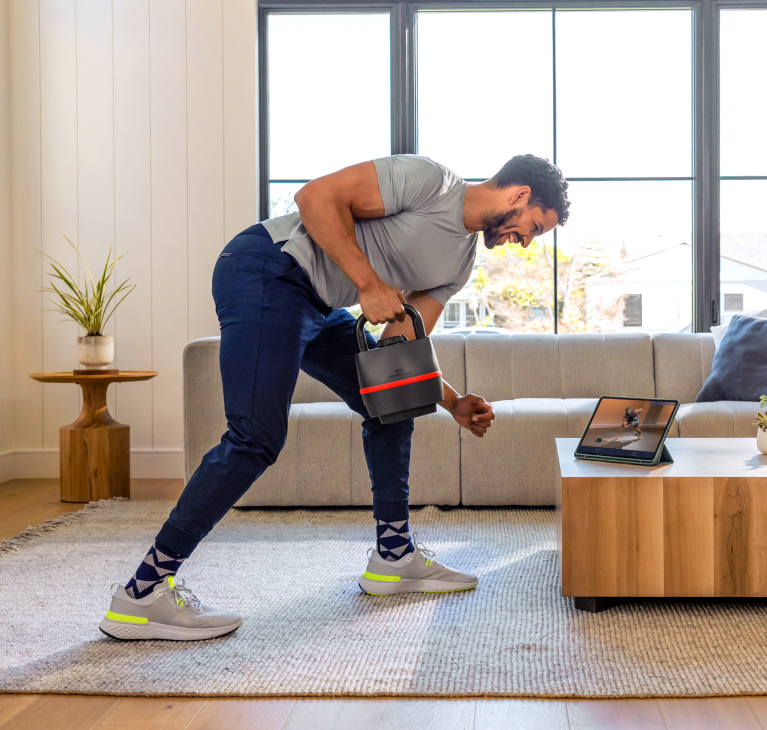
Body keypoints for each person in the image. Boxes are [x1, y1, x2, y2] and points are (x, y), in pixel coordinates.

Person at [98, 153, 571, 641]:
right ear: (518, 196)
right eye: (534, 226)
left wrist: (450, 401)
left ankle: (393, 557)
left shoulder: (459, 264)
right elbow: (315, 197)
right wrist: (368, 284)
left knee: (392, 406)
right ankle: (142, 594)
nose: (526, 241)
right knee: (256, 437)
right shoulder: (431, 182)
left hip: (317, 305)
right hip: (268, 268)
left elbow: (398, 353)